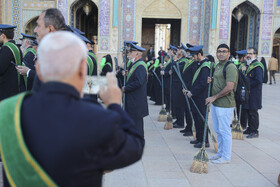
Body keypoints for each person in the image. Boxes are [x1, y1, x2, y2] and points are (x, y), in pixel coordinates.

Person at [0, 31, 144, 186]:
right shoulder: (96, 118)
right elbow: (135, 146)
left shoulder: (7, 111)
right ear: (83, 69)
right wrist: (114, 104)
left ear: (38, 69)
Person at [205, 44, 238, 164]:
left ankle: (226, 157)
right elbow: (220, 81)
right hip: (216, 104)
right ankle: (220, 153)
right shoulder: (218, 65)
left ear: (228, 53)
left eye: (224, 51)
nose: (221, 53)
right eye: (219, 51)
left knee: (224, 131)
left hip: (225, 104)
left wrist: (214, 97)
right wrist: (213, 80)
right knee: (218, 130)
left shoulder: (230, 67)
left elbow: (229, 87)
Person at [185, 45, 210, 148]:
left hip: (201, 97)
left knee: (201, 119)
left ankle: (204, 141)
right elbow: (194, 81)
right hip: (195, 96)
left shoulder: (205, 66)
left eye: (194, 56)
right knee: (196, 118)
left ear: (199, 54)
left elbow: (203, 83)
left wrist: (193, 92)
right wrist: (188, 90)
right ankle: (199, 138)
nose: (193, 58)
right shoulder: (198, 64)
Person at [122, 42, 149, 137]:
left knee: (137, 124)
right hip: (133, 100)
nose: (128, 55)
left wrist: (126, 88)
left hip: (136, 101)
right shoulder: (135, 64)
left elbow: (139, 82)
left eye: (131, 53)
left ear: (137, 54)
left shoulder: (140, 66)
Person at [242, 47, 264, 138]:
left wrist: (247, 85)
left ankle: (255, 131)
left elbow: (258, 80)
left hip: (254, 93)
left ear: (255, 54)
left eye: (250, 54)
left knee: (253, 112)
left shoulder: (257, 66)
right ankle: (250, 128)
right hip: (248, 92)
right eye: (247, 53)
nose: (248, 55)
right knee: (247, 110)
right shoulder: (249, 65)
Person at [0, 24, 25, 101]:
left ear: (3, 36)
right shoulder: (15, 47)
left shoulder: (6, 49)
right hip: (14, 90)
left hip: (6, 93)